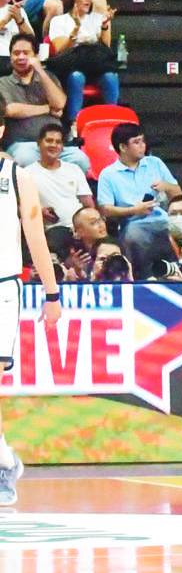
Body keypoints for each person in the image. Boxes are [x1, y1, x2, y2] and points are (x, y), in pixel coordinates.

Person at [0, 112, 62, 506]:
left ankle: (3, 466)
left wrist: (52, 293)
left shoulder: (16, 176)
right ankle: (5, 460)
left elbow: (35, 235)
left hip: (3, 287)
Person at [97, 122, 182, 279]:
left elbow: (178, 193)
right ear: (122, 147)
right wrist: (134, 210)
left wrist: (166, 186)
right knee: (135, 235)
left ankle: (180, 274)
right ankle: (145, 276)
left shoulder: (155, 163)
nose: (142, 146)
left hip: (162, 218)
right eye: (137, 142)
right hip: (132, 222)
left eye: (142, 141)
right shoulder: (108, 174)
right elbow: (105, 209)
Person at [0, 33, 87, 170]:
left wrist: (40, 70)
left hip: (56, 143)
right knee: (26, 159)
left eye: (26, 53)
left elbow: (59, 104)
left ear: (35, 56)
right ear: (10, 57)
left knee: (81, 160)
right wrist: (47, 109)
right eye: (16, 53)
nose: (21, 57)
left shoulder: (48, 78)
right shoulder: (3, 82)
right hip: (23, 144)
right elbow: (10, 109)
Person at [45, 0, 118, 122]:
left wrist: (105, 26)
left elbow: (105, 46)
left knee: (110, 77)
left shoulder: (97, 18)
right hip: (72, 66)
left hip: (94, 65)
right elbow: (59, 49)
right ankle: (74, 123)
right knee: (76, 77)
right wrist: (75, 30)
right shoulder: (59, 21)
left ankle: (112, 121)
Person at [27, 121, 91, 257]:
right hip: (54, 230)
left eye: (58, 142)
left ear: (62, 147)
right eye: (49, 141)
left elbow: (88, 203)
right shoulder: (27, 174)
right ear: (39, 143)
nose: (54, 145)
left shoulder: (74, 169)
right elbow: (21, 207)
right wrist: (40, 211)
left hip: (81, 228)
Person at [0, 0, 35, 77]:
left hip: (16, 59)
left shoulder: (18, 11)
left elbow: (31, 40)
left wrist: (19, 20)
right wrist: (5, 20)